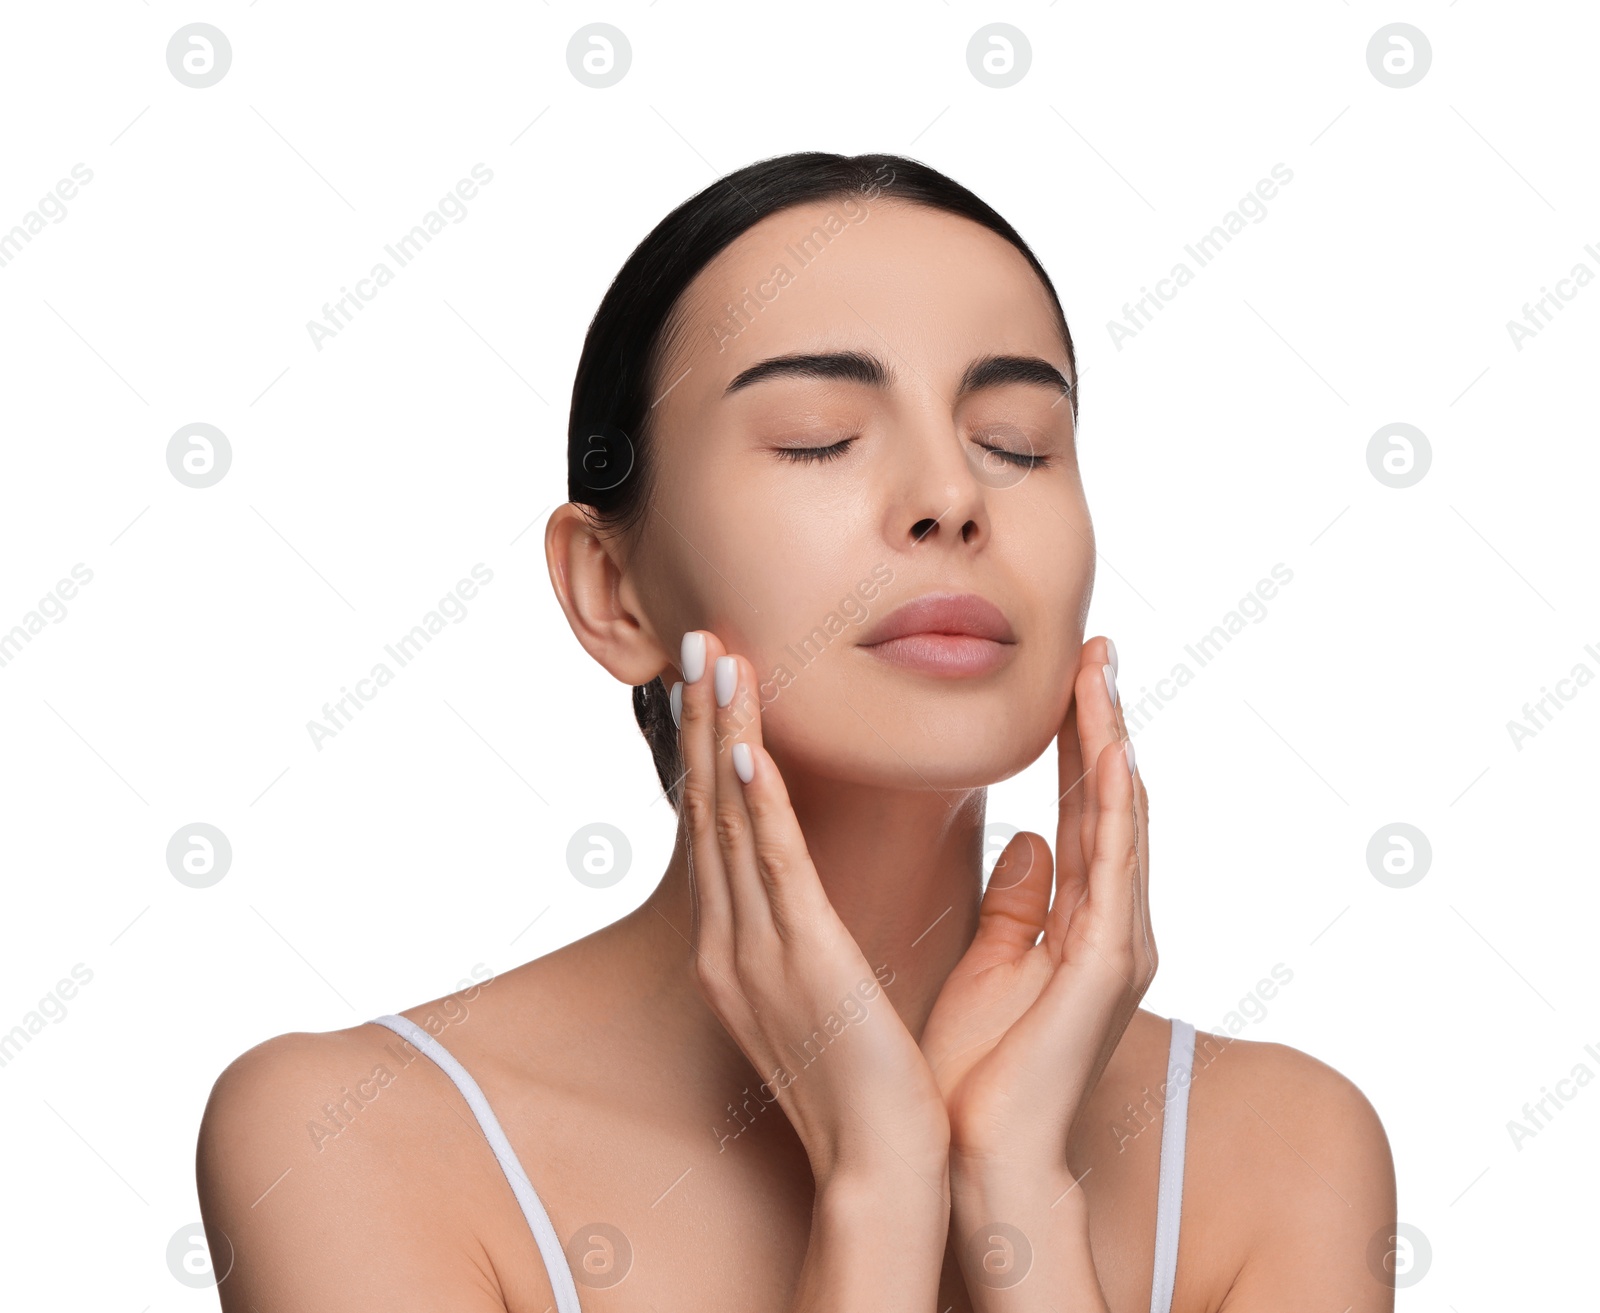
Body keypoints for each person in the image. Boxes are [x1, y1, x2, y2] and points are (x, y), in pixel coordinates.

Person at [196, 151, 1396, 1311]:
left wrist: (1017, 1196)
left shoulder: (1282, 1147)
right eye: (818, 435)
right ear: (611, 592)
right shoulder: (350, 1135)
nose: (951, 497)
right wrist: (877, 1186)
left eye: (1017, 443)